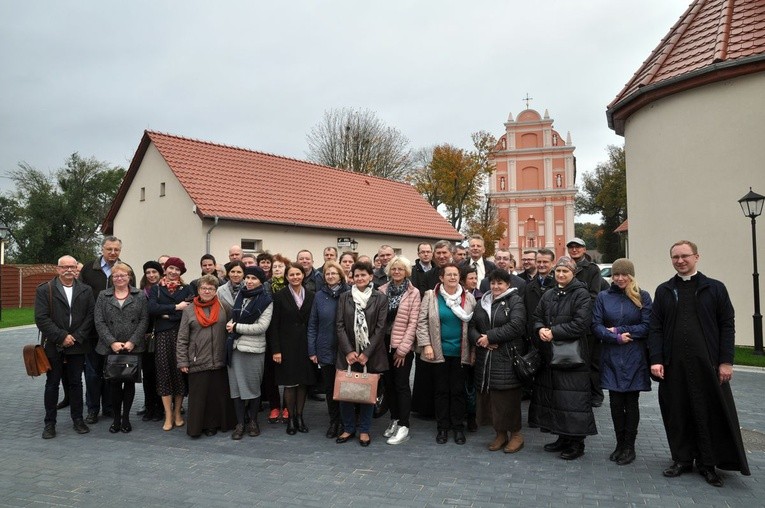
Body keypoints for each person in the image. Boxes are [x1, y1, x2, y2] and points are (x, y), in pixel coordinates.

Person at [649, 241, 750, 486]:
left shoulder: (714, 288)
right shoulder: (664, 290)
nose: (680, 261)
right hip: (674, 367)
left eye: (685, 256)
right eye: (675, 257)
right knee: (677, 413)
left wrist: (726, 361)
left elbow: (727, 324)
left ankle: (708, 463)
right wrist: (656, 360)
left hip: (708, 366)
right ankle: (681, 459)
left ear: (696, 257)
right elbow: (656, 328)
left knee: (708, 413)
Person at [529, 256, 597, 460]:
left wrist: (554, 332)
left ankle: (577, 443)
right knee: (557, 399)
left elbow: (581, 324)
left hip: (572, 356)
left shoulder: (581, 294)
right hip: (551, 355)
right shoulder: (549, 293)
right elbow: (537, 317)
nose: (560, 275)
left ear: (573, 273)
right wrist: (540, 328)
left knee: (573, 400)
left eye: (565, 271)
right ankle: (562, 437)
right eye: (558, 271)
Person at [592, 258, 652, 465]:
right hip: (611, 355)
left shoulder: (642, 296)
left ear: (631, 275)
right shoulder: (603, 296)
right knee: (616, 403)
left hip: (634, 356)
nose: (619, 278)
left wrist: (620, 330)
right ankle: (619, 444)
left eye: (623, 274)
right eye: (616, 274)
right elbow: (596, 326)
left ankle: (629, 446)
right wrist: (614, 338)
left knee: (631, 402)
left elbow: (647, 326)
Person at [416, 262, 476, 445]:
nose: (452, 277)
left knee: (458, 392)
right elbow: (422, 322)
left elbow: (474, 326)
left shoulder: (469, 298)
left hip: (461, 353)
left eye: (455, 275)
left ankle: (458, 427)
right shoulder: (430, 296)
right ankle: (442, 427)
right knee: (441, 391)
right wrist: (426, 344)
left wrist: (473, 351)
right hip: (438, 352)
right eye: (448, 274)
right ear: (441, 278)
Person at [36, 255, 94, 439]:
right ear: (58, 269)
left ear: (77, 269)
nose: (69, 270)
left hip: (77, 345)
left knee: (76, 383)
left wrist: (75, 337)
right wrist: (62, 337)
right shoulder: (46, 289)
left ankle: (78, 419)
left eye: (72, 267)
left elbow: (90, 316)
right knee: (52, 384)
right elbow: (41, 318)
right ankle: (49, 423)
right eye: (65, 267)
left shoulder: (86, 290)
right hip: (54, 345)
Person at [468, 269, 526, 453]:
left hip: (507, 357)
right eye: (493, 283)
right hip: (486, 359)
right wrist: (479, 339)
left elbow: (517, 326)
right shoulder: (482, 302)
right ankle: (500, 434)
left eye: (500, 283)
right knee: (491, 398)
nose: (496, 286)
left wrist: (490, 337)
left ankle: (516, 435)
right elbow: (472, 326)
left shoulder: (514, 300)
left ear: (508, 284)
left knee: (507, 398)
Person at [79, 236, 134, 424]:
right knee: (93, 373)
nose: (112, 253)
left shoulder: (126, 269)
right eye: (109, 249)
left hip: (118, 335)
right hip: (94, 331)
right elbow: (81, 297)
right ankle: (93, 409)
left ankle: (110, 407)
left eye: (116, 250)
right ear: (102, 249)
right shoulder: (88, 269)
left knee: (114, 372)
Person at [334, 261, 389, 447]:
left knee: (367, 392)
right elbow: (339, 325)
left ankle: (364, 430)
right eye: (356, 275)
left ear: (370, 277)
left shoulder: (380, 298)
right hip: (347, 353)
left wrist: (366, 353)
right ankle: (348, 428)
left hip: (371, 354)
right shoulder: (345, 297)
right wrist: (349, 351)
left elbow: (381, 328)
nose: (359, 278)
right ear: (352, 278)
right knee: (346, 392)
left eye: (363, 275)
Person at [177, 274, 237, 438]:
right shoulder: (189, 310)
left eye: (211, 288)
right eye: (204, 288)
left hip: (219, 359)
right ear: (198, 290)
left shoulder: (224, 307)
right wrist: (182, 360)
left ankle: (217, 425)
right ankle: (199, 427)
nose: (207, 291)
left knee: (217, 396)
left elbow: (231, 331)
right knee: (199, 397)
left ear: (216, 290)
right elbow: (182, 337)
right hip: (197, 359)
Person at [94, 262, 149, 434]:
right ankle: (116, 419)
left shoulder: (139, 295)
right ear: (112, 278)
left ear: (129, 277)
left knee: (130, 382)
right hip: (111, 347)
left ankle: (126, 418)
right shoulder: (104, 295)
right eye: (116, 275)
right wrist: (112, 342)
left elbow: (144, 320)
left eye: (123, 275)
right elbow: (99, 320)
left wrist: (133, 341)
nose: (119, 278)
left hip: (133, 347)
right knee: (114, 383)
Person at [225, 266, 273, 440]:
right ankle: (240, 423)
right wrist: (232, 323)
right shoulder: (241, 295)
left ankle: (253, 421)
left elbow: (261, 327)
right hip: (235, 348)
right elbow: (236, 317)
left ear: (261, 281)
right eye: (248, 278)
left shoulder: (266, 300)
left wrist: (236, 327)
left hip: (253, 350)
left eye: (254, 278)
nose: (250, 281)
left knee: (252, 388)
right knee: (236, 389)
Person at [268, 262, 316, 435]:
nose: (295, 277)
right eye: (292, 275)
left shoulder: (311, 295)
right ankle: (290, 419)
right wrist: (276, 350)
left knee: (302, 383)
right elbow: (274, 325)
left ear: (303, 275)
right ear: (286, 277)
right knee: (289, 383)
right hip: (286, 346)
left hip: (304, 345)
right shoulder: (279, 296)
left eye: (298, 274)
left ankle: (299, 416)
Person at [377, 256, 421, 445]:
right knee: (389, 385)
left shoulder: (413, 293)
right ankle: (394, 419)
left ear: (406, 272)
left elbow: (413, 323)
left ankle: (404, 425)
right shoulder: (381, 290)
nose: (396, 272)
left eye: (400, 269)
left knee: (402, 384)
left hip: (401, 345)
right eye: (393, 269)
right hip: (382, 345)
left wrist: (403, 349)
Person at [148, 257, 193, 431]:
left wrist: (165, 314)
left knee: (180, 374)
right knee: (164, 375)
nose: (173, 272)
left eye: (177, 269)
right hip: (162, 337)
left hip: (182, 337)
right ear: (165, 269)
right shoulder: (156, 289)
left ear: (181, 272)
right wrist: (175, 308)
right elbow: (151, 309)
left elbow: (188, 310)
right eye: (171, 268)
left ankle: (177, 413)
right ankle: (167, 415)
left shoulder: (187, 289)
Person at [307, 261, 350, 438]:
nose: (330, 276)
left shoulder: (349, 294)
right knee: (330, 388)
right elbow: (312, 324)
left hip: (345, 349)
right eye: (327, 274)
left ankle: (346, 422)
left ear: (340, 275)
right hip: (324, 348)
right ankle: (334, 422)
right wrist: (312, 349)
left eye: (334, 273)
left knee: (345, 388)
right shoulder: (319, 296)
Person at [412, 240, 454, 418]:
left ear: (450, 254)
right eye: (439, 253)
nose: (442, 256)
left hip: (453, 330)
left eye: (445, 253)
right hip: (430, 327)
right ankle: (427, 409)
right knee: (427, 372)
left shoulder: (456, 272)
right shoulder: (430, 276)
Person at [566, 237, 608, 407]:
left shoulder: (592, 269)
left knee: (592, 361)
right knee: (576, 359)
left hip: (588, 322)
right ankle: (581, 393)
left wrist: (574, 307)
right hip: (570, 322)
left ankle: (596, 394)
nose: (574, 250)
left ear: (584, 250)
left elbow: (594, 295)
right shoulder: (566, 267)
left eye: (578, 247)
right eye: (571, 247)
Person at [263, 254, 289, 423]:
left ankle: (287, 406)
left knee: (288, 372)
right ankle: (274, 406)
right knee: (270, 373)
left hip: (288, 335)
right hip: (268, 333)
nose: (277, 269)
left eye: (280, 266)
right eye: (275, 267)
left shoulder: (291, 286)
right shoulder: (265, 286)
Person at [139, 261, 164, 422]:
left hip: (161, 336)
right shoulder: (141, 292)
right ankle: (149, 407)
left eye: (154, 272)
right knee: (147, 375)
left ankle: (160, 408)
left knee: (160, 374)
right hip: (145, 338)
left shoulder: (165, 290)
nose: (151, 275)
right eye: (148, 272)